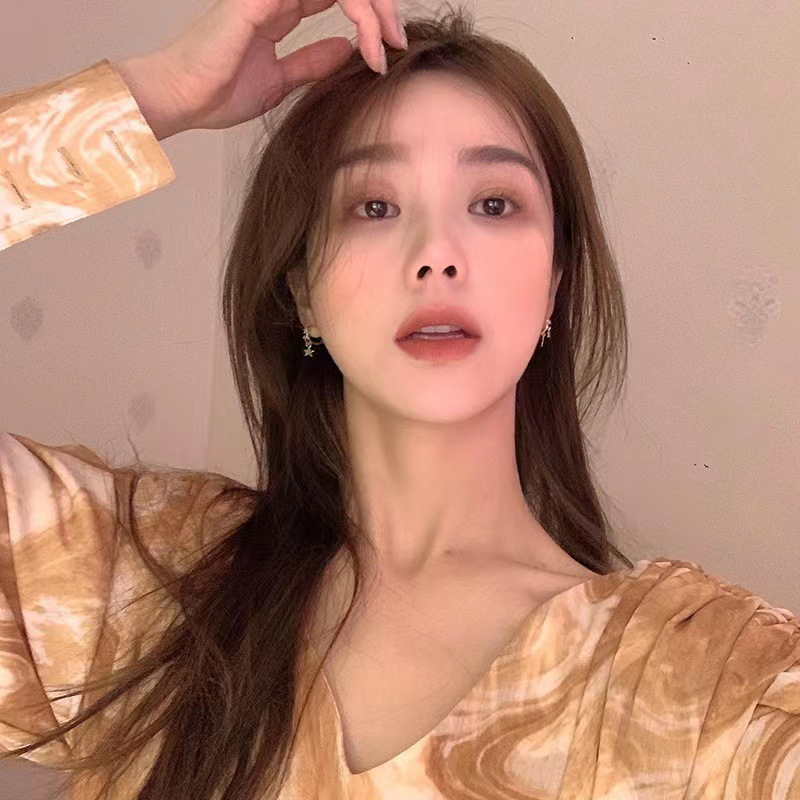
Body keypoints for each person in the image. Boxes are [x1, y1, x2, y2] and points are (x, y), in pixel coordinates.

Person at [1, 1, 798, 798]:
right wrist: (156, 91)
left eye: (493, 204)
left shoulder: (712, 687)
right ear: (302, 292)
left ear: (555, 282)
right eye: (374, 206)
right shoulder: (138, 581)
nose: (437, 255)